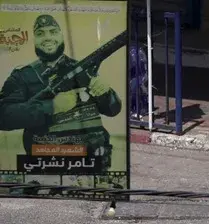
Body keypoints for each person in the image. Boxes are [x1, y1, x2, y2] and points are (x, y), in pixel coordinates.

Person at [0, 14, 122, 172]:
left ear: (61, 35)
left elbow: (113, 110)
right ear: (34, 40)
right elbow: (3, 115)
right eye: (40, 33)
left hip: (91, 162)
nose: (48, 37)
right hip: (46, 164)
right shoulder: (23, 76)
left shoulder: (80, 68)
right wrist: (52, 107)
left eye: (53, 31)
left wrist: (105, 92)